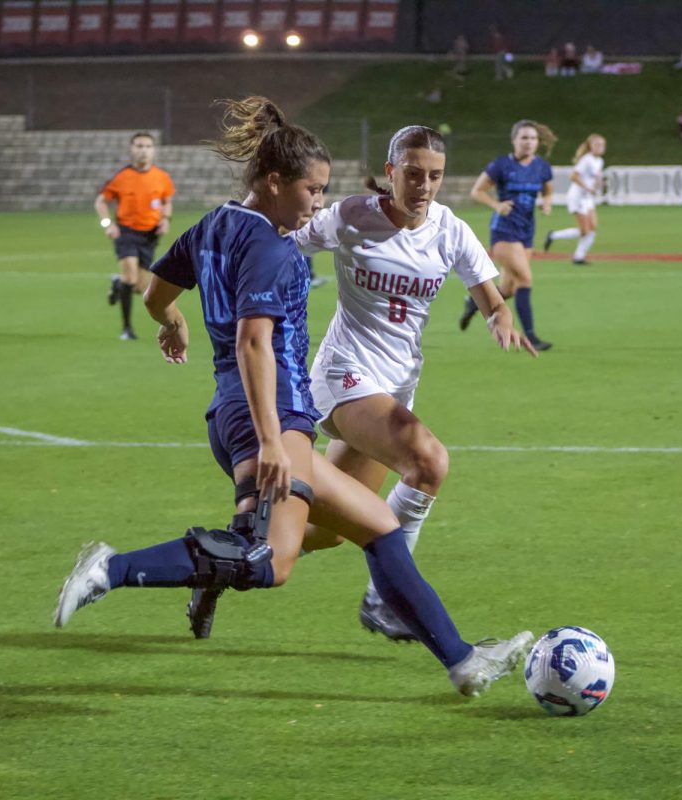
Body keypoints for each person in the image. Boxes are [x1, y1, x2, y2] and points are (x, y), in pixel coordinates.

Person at [54, 96, 534, 698]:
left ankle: (200, 573)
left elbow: (158, 289)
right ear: (276, 182)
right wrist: (274, 439)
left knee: (291, 551)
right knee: (372, 527)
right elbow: (256, 341)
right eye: (313, 189)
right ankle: (112, 568)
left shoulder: (214, 223)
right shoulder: (276, 249)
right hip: (273, 415)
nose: (319, 204)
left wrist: (170, 320)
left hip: (237, 410)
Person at [290, 125, 536, 640]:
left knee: (326, 531)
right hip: (344, 376)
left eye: (435, 176)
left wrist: (501, 320)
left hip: (394, 386)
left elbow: (489, 296)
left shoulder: (449, 230)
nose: (424, 185)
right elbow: (287, 244)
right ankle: (386, 600)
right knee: (428, 461)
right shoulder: (351, 216)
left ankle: (223, 557)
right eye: (414, 173)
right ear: (391, 172)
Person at [459, 120, 557, 350]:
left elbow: (548, 192)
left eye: (533, 138)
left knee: (509, 289)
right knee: (525, 279)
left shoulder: (542, 167)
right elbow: (477, 191)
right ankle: (531, 335)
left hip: (526, 230)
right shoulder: (501, 165)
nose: (529, 142)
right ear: (514, 140)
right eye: (524, 138)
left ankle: (473, 304)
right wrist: (496, 205)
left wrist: (547, 204)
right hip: (504, 230)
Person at [95, 132, 175, 341]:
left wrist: (165, 219)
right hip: (126, 232)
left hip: (149, 236)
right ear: (132, 149)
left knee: (139, 287)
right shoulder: (122, 177)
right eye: (139, 146)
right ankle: (127, 329)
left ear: (153, 150)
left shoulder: (162, 177)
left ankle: (117, 282)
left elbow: (166, 201)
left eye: (148, 146)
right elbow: (101, 202)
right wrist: (108, 224)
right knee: (131, 277)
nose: (143, 150)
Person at [544, 134, 606, 265]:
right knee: (584, 230)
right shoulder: (586, 160)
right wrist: (587, 187)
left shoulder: (599, 161)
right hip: (577, 196)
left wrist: (599, 184)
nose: (600, 147)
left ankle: (579, 257)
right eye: (597, 145)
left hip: (587, 197)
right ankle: (553, 235)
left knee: (592, 227)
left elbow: (594, 180)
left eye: (602, 145)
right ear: (590, 147)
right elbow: (573, 176)